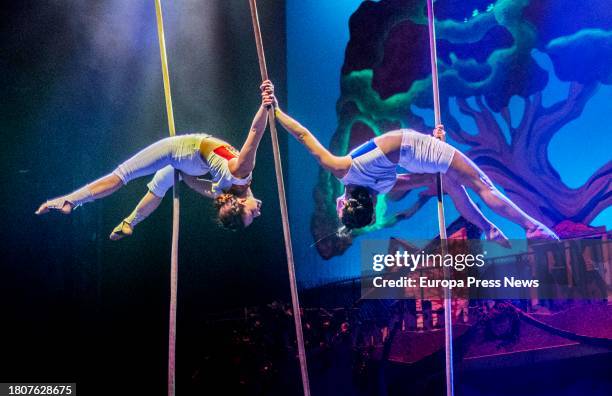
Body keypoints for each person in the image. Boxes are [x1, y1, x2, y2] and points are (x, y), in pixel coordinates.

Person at [270, 90, 558, 243]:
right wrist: (277, 111)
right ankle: (531, 227)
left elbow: (417, 179)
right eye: (340, 210)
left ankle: (488, 228)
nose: (337, 207)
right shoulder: (342, 170)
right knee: (481, 184)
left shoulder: (378, 189)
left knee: (453, 182)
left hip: (416, 153)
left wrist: (435, 154)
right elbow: (303, 135)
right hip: (414, 148)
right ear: (345, 202)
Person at [36, 81, 276, 236]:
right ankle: (130, 220)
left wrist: (264, 104)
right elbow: (193, 182)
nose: (258, 212)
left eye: (252, 215)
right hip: (189, 164)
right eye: (253, 216)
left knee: (122, 175)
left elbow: (255, 134)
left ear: (241, 204)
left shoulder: (241, 173)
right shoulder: (222, 191)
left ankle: (71, 201)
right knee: (160, 185)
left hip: (182, 151)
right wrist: (266, 103)